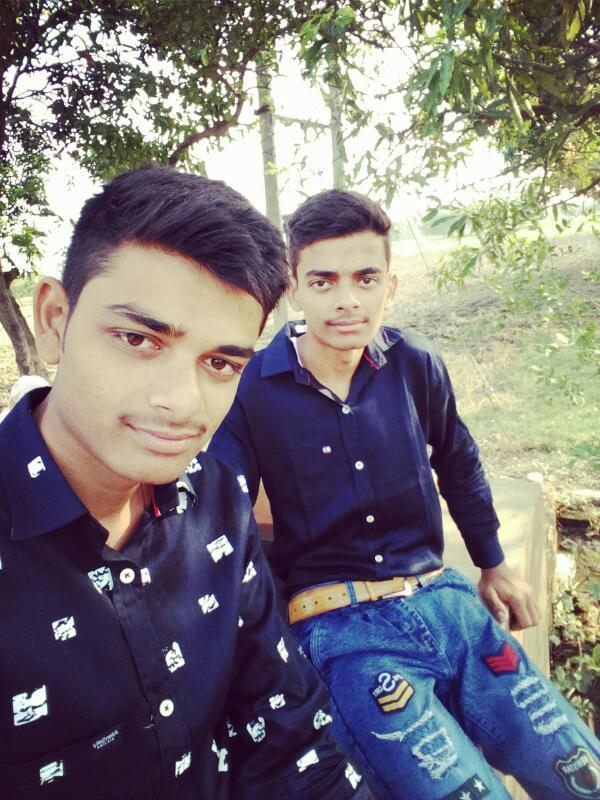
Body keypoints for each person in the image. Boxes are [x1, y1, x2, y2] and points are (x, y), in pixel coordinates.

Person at [209, 189, 600, 799]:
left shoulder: (415, 362)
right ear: (294, 288)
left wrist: (493, 564)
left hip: (449, 604)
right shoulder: (252, 388)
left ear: (389, 286)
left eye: (366, 278)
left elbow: (458, 460)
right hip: (345, 633)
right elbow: (224, 518)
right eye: (324, 280)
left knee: (578, 771)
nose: (347, 299)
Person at [0, 169, 372, 800]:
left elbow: (288, 738)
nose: (182, 402)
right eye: (138, 339)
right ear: (55, 320)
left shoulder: (215, 497)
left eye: (220, 363)